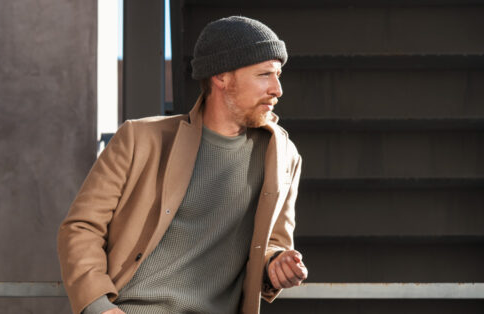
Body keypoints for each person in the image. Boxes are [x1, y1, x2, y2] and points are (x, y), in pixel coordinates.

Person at [57, 16, 308, 314]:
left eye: (278, 74)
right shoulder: (139, 139)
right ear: (221, 77)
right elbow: (81, 227)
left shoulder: (283, 156)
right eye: (264, 74)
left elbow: (274, 242)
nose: (277, 89)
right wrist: (99, 307)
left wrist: (276, 264)